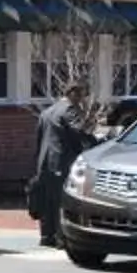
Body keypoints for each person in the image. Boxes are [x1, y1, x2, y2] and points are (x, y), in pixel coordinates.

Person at [29, 80, 92, 247]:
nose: (82, 99)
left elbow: (39, 139)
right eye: (81, 95)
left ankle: (46, 236)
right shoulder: (69, 110)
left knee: (47, 200)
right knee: (60, 200)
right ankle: (60, 238)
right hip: (61, 161)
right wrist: (95, 142)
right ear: (72, 94)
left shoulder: (47, 112)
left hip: (44, 162)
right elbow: (79, 132)